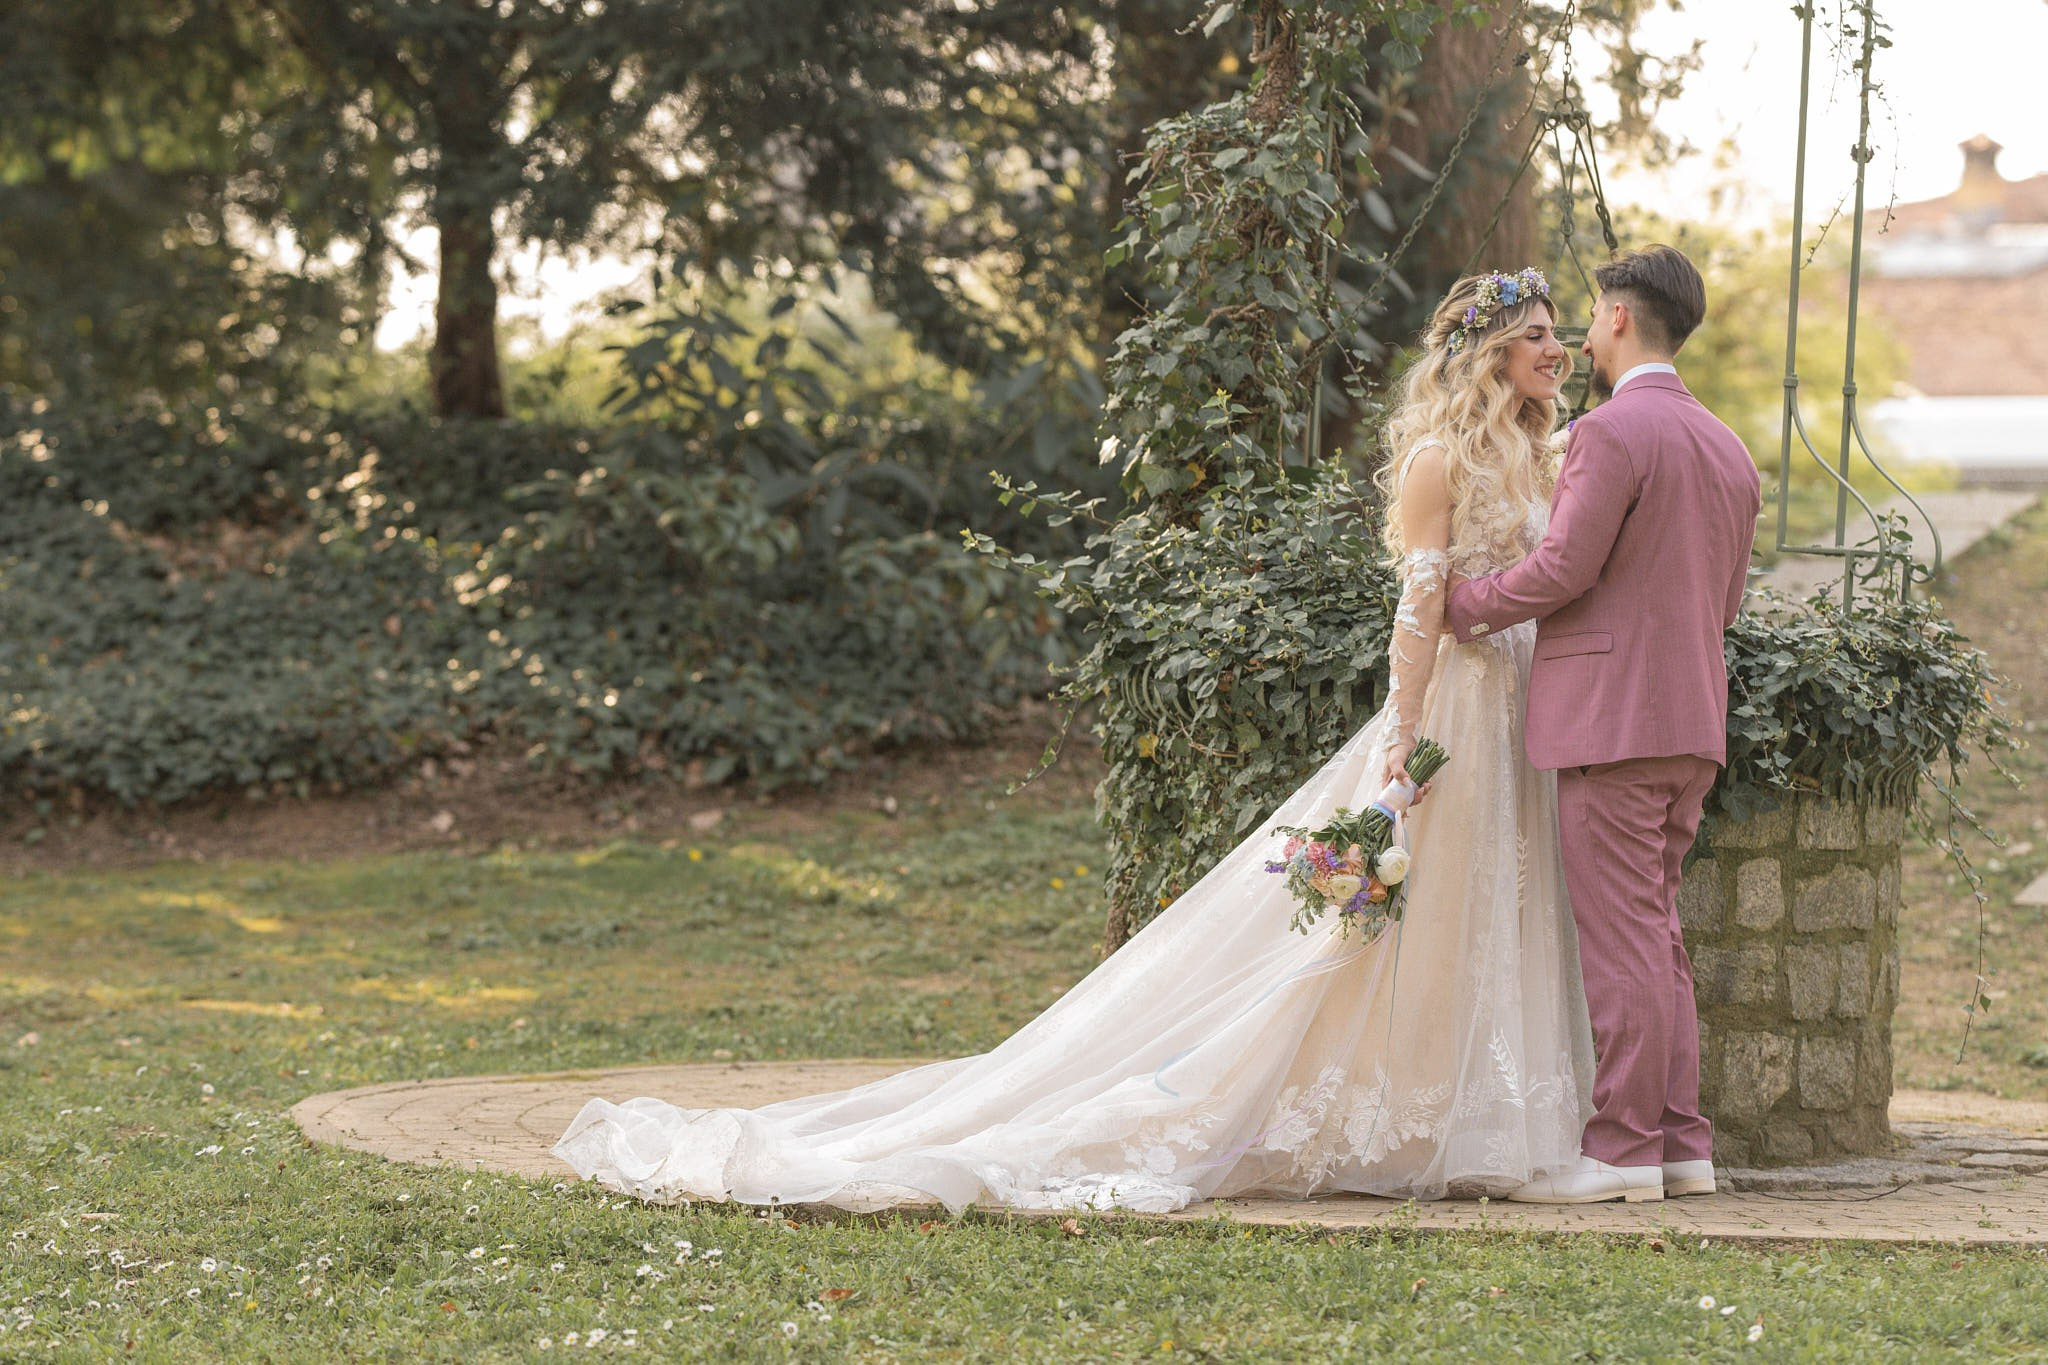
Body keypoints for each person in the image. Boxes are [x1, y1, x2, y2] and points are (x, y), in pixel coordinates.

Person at [551, 269, 1597, 1214]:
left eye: (1558, 334)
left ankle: (1481, 1112)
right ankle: (1409, 1115)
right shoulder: (1435, 462)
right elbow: (1418, 608)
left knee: (1490, 899)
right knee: (1420, 907)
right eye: (1536, 335)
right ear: (1483, 354)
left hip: (1521, 699)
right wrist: (1400, 738)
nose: (1557, 349)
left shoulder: (1544, 455)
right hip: (1454, 709)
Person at [1445, 244, 1761, 1205]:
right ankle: (1681, 1144)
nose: (1581, 338)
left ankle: (1622, 1147)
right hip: (1690, 722)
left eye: (1588, 317)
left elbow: (1562, 568)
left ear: (1619, 317)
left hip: (1610, 725)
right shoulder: (1729, 447)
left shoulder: (1613, 431)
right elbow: (1726, 603)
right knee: (1656, 935)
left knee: (1625, 944)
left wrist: (1460, 604)